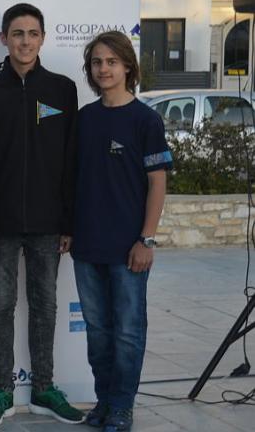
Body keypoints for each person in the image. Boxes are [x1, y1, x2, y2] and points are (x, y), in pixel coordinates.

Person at [0, 3, 84, 427]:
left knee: (45, 306)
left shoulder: (62, 89)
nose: (25, 41)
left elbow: (70, 159)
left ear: (43, 38)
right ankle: (1, 390)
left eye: (32, 33)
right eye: (17, 33)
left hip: (47, 221)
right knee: (1, 305)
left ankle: (44, 388)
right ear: (3, 38)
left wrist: (68, 221)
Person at [72, 31, 170, 432]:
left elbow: (158, 183)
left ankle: (123, 407)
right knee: (98, 334)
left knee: (128, 332)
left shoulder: (146, 120)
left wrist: (146, 239)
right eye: (97, 62)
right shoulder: (85, 119)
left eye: (112, 61)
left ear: (128, 67)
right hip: (87, 245)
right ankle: (105, 401)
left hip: (130, 247)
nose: (104, 69)